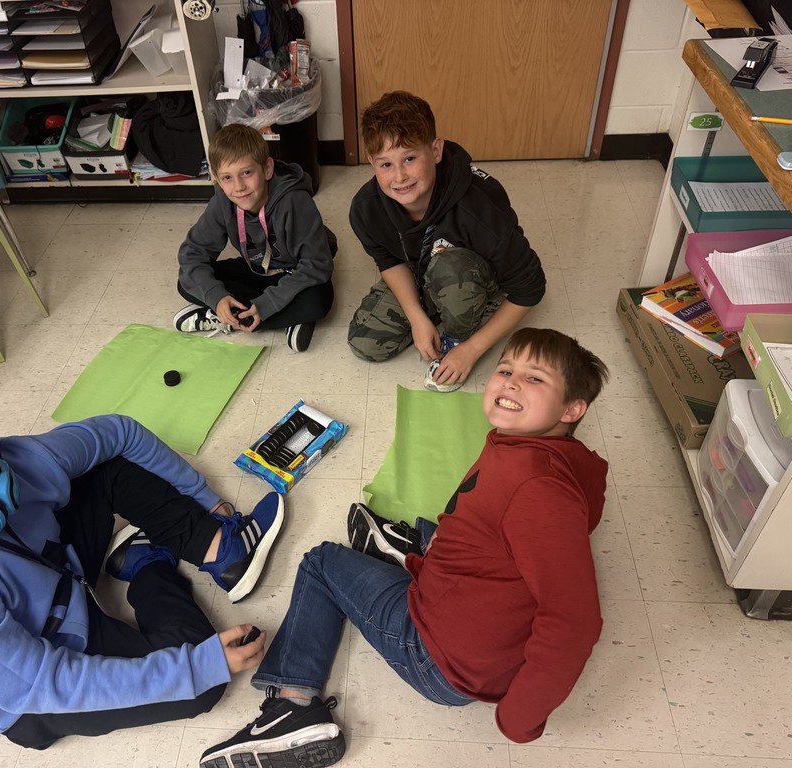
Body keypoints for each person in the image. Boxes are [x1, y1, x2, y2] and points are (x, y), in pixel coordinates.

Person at [199, 328, 610, 767]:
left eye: (534, 379)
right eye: (506, 369)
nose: (509, 381)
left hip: (441, 661)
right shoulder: (553, 457)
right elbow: (566, 518)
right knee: (446, 530)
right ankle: (406, 552)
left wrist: (521, 716)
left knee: (321, 563)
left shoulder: (539, 492)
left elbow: (574, 621)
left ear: (573, 408)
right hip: (472, 614)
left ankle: (292, 711)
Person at [0, 355, 286, 749]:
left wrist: (209, 503)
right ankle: (148, 565)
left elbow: (118, 432)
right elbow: (43, 683)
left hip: (54, 578)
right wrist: (198, 664)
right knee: (199, 685)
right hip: (22, 696)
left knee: (103, 468)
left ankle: (219, 548)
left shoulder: (16, 461)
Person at [347, 90, 546, 392]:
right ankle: (437, 305)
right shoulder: (366, 209)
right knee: (367, 342)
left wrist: (473, 349)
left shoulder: (479, 208)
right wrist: (416, 317)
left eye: (410, 158)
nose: (399, 176)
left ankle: (472, 313)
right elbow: (389, 259)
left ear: (436, 151)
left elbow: (530, 289)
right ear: (372, 163)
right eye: (385, 164)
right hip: (419, 271)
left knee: (450, 271)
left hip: (465, 271)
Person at [174, 122, 337, 353]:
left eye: (247, 173)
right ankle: (283, 319)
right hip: (258, 268)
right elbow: (193, 253)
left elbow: (317, 265)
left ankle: (229, 318)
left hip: (297, 272)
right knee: (186, 282)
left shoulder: (295, 202)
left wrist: (268, 303)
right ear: (217, 180)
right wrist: (218, 298)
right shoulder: (222, 202)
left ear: (267, 169)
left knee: (319, 301)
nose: (239, 187)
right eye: (227, 178)